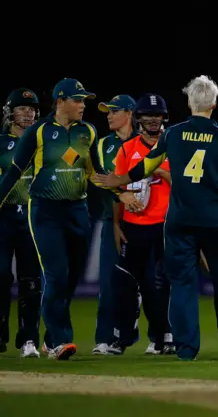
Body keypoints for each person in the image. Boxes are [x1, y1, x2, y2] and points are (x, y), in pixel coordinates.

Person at [94, 75, 218, 361]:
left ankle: (185, 348)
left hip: (179, 222)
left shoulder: (174, 134)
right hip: (214, 221)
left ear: (189, 102)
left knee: (182, 284)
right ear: (214, 103)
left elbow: (145, 166)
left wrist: (116, 180)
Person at [0, 78, 140, 360]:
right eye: (78, 100)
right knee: (55, 275)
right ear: (60, 101)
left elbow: (94, 174)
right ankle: (58, 341)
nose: (82, 106)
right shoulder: (39, 132)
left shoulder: (87, 131)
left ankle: (52, 340)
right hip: (45, 211)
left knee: (70, 279)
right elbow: (14, 171)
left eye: (84, 101)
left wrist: (119, 195)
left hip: (78, 212)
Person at [103, 93, 174, 356]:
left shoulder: (173, 146)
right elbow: (117, 185)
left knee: (162, 283)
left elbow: (183, 186)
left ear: (163, 118)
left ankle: (164, 337)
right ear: (139, 119)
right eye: (147, 116)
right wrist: (116, 224)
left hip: (165, 225)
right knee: (125, 282)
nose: (153, 120)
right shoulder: (126, 149)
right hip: (133, 226)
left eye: (157, 116)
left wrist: (156, 169)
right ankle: (121, 338)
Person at [91, 94, 137, 355]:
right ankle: (105, 339)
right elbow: (99, 179)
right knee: (109, 281)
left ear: (129, 114)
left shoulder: (147, 142)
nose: (108, 115)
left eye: (114, 111)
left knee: (151, 282)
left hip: (146, 220)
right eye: (107, 111)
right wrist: (121, 194)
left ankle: (160, 339)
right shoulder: (103, 145)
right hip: (112, 219)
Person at [0, 88, 42, 358]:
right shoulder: (0, 143)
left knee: (31, 281)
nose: (27, 113)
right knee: (1, 277)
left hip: (32, 218)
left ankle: (28, 340)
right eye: (22, 108)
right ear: (9, 112)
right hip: (3, 219)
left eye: (31, 109)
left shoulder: (42, 143)